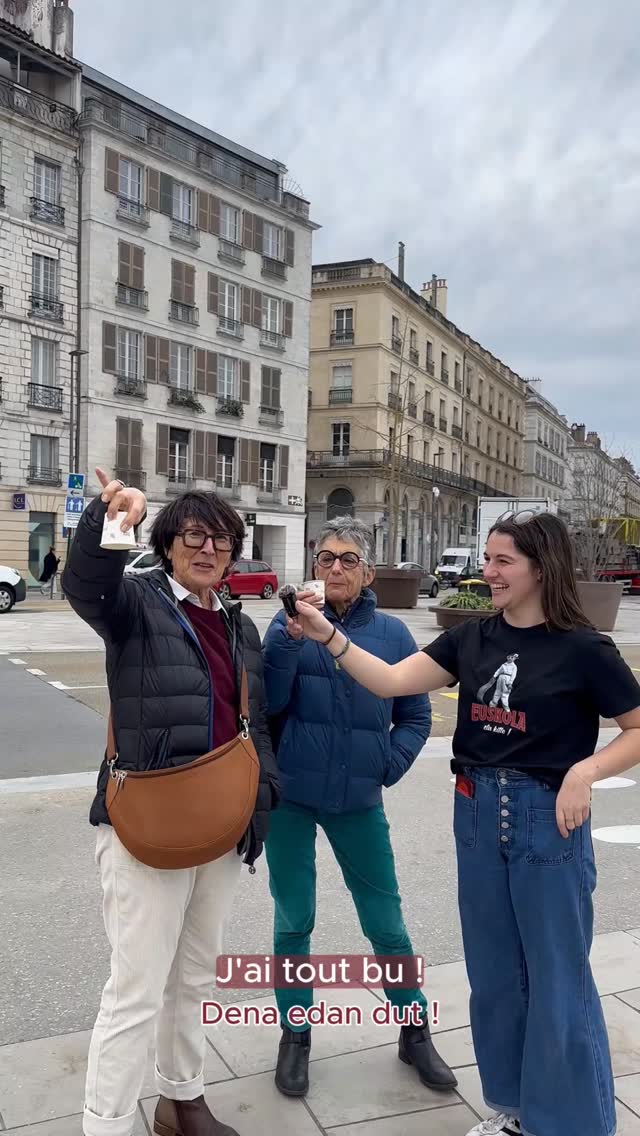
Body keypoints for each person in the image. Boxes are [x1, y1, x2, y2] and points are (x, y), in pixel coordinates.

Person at [291, 510, 640, 1136]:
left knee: (557, 979)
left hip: (546, 819)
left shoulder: (584, 648)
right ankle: (513, 1110)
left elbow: (637, 728)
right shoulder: (473, 639)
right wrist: (327, 636)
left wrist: (584, 773)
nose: (489, 570)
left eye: (503, 560)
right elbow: (394, 681)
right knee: (494, 975)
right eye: (488, 558)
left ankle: (571, 1125)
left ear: (542, 566)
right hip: (476, 812)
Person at [62, 468, 279, 1136]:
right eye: (192, 536)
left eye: (219, 539)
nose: (207, 549)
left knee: (194, 979)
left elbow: (254, 725)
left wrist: (260, 802)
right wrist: (108, 524)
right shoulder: (134, 603)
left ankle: (182, 1102)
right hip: (146, 825)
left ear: (233, 552)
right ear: (167, 544)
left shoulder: (241, 627)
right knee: (134, 991)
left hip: (219, 826)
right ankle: (106, 1124)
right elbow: (85, 585)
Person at [262, 516, 457, 1098]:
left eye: (348, 559)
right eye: (326, 559)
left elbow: (416, 715)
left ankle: (414, 1031)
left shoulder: (394, 635)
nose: (336, 568)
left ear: (367, 571)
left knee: (386, 924)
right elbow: (268, 705)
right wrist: (286, 639)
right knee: (294, 920)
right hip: (292, 799)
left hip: (358, 799)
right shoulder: (286, 624)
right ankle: (294, 1036)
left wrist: (387, 765)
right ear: (313, 567)